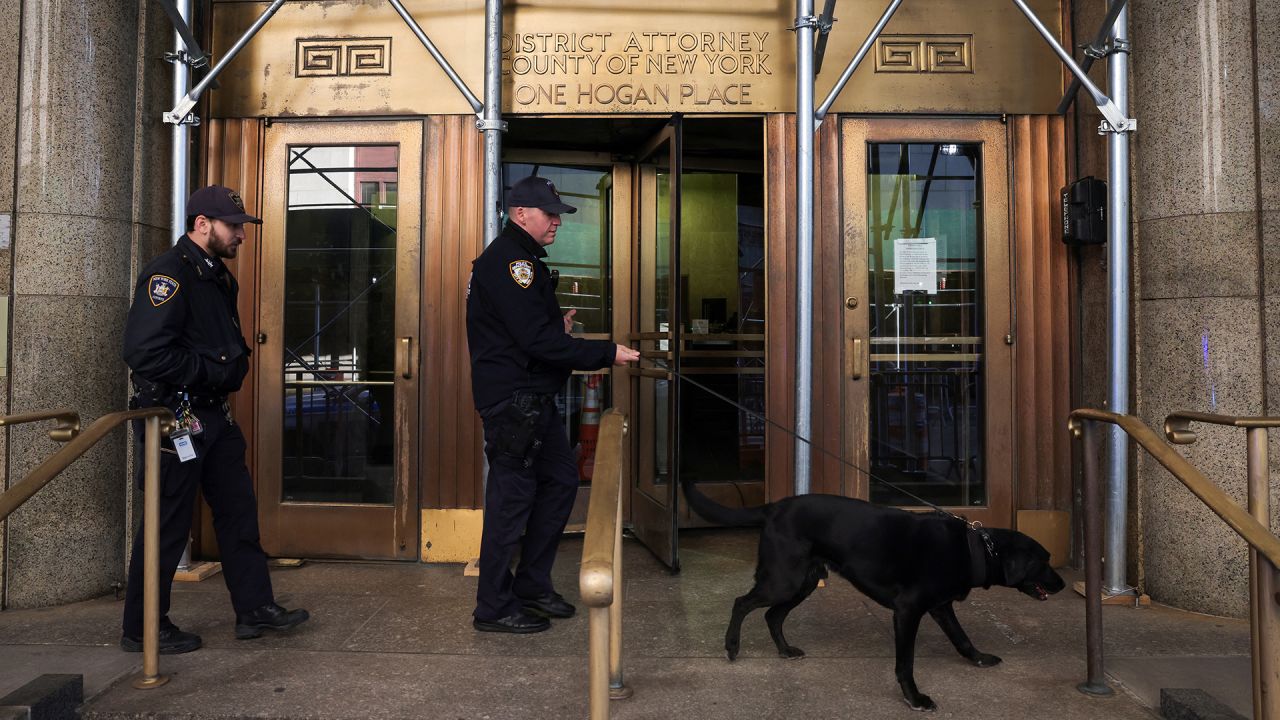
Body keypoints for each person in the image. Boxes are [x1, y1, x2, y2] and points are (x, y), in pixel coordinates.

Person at [120, 185, 310, 654]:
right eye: (234, 227)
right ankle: (143, 628)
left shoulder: (219, 277)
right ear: (202, 224)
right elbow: (143, 353)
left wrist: (226, 372)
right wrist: (211, 371)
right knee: (166, 523)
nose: (241, 236)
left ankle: (255, 610)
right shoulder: (169, 276)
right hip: (175, 416)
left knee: (238, 513)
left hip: (214, 416)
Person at [466, 175, 640, 633]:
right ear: (520, 213)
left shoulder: (523, 261)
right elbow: (536, 342)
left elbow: (528, 332)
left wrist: (555, 326)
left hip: (532, 401)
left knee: (561, 481)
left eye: (558, 214)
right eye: (549, 213)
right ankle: (493, 606)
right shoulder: (509, 262)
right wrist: (606, 352)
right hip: (514, 405)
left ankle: (531, 586)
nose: (557, 222)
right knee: (511, 502)